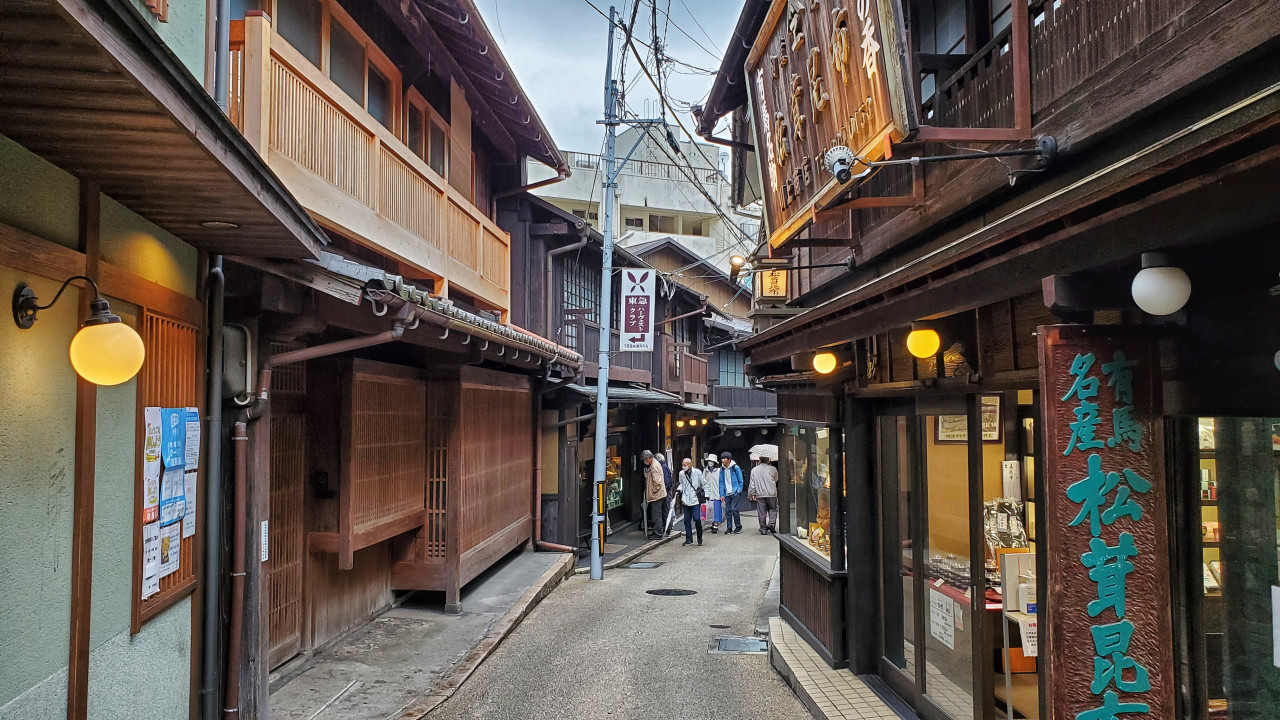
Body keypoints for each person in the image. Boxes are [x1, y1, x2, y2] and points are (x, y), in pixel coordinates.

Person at [677, 458, 705, 546]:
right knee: (686, 520)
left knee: (697, 519)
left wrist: (706, 495)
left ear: (690, 465)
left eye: (685, 465)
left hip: (695, 499)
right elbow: (681, 484)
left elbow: (704, 483)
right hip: (685, 500)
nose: (683, 467)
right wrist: (679, 490)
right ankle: (689, 539)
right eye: (682, 465)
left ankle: (699, 536)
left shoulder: (697, 472)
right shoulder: (681, 474)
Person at [749, 455, 780, 534]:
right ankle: (772, 524)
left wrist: (753, 493)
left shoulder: (754, 470)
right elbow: (776, 479)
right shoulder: (773, 469)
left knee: (761, 512)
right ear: (768, 460)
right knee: (773, 509)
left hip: (760, 493)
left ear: (759, 460)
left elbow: (752, 483)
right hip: (772, 493)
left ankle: (763, 529)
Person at [716, 451, 744, 534]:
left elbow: (740, 480)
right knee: (728, 511)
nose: (723, 460)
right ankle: (729, 528)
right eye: (722, 458)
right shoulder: (721, 469)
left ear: (729, 459)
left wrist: (739, 490)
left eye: (724, 458)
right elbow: (721, 482)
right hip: (727, 493)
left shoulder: (735, 467)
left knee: (734, 509)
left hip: (735, 492)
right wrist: (722, 494)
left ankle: (738, 526)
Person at [642, 450, 666, 538]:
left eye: (645, 460)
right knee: (657, 513)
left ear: (648, 458)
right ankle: (657, 531)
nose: (645, 462)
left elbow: (657, 482)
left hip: (656, 496)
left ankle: (657, 533)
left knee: (656, 514)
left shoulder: (654, 466)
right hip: (658, 495)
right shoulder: (655, 464)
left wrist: (652, 491)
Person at [703, 453, 723, 533]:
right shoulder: (705, 471)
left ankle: (715, 524)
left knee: (717, 510)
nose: (710, 462)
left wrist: (722, 493)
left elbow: (721, 482)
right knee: (709, 510)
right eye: (709, 461)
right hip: (708, 494)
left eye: (711, 461)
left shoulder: (719, 471)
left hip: (717, 493)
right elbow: (703, 481)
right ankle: (711, 523)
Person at [656, 452, 675, 535]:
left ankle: (667, 528)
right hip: (666, 491)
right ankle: (667, 527)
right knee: (666, 510)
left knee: (666, 510)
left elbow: (666, 482)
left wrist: (663, 491)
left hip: (666, 492)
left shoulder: (663, 467)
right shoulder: (664, 466)